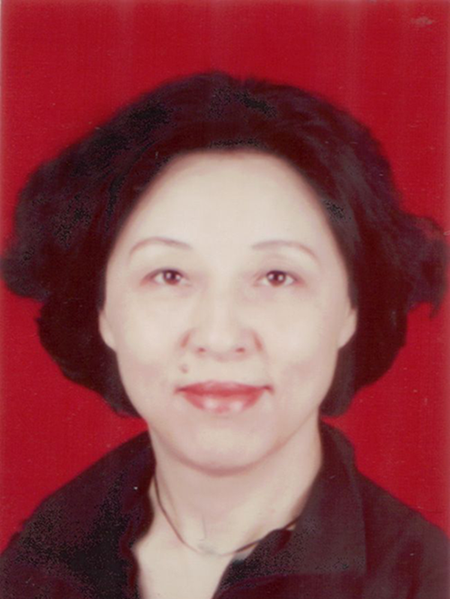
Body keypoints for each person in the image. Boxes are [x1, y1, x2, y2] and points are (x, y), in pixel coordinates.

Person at [0, 72, 448, 599]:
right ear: (101, 308)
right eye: (169, 275)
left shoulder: (425, 581)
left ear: (352, 306)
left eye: (277, 277)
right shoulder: (36, 565)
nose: (219, 336)